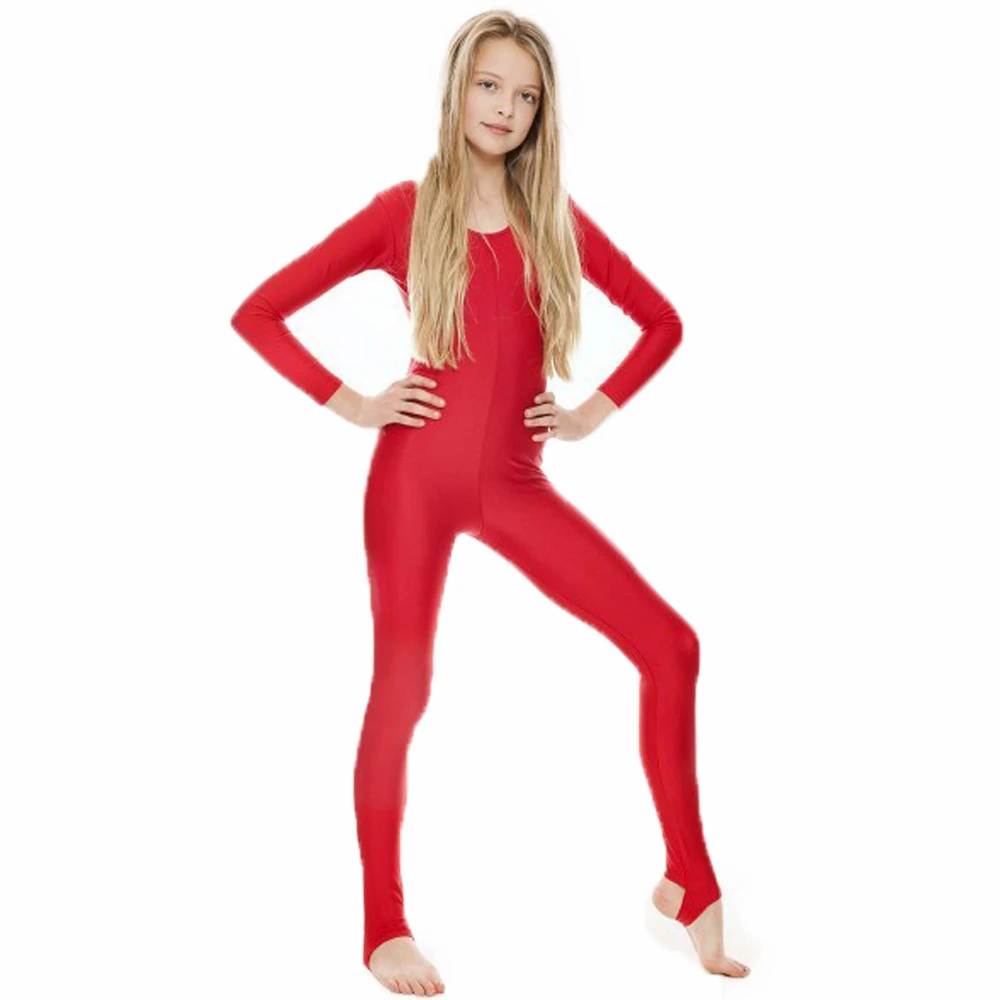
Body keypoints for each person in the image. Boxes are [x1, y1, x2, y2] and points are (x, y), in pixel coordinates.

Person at [230, 11, 750, 994]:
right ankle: (383, 927)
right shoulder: (404, 211)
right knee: (403, 687)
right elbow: (258, 311)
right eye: (489, 85)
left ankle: (689, 878)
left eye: (525, 94)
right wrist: (354, 402)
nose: (505, 108)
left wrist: (590, 412)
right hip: (412, 482)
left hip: (515, 485)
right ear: (457, 90)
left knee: (671, 645)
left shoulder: (554, 220)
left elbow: (663, 321)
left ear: (541, 110)